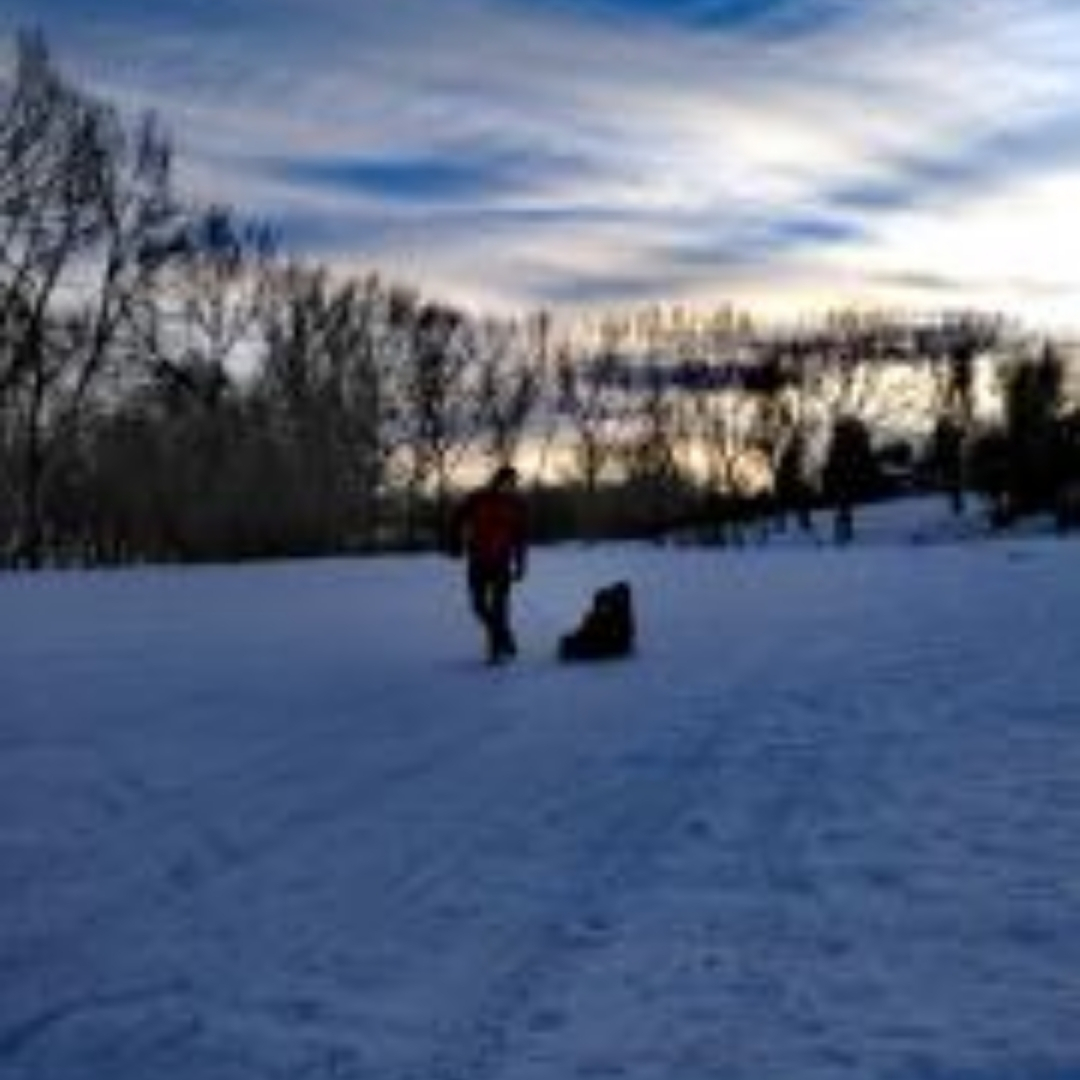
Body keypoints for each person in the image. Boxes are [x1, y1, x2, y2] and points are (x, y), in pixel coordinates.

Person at [449, 465, 528, 663]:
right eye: (507, 482)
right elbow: (457, 518)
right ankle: (504, 635)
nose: (510, 486)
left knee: (499, 607)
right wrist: (456, 543)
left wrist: (520, 564)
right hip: (477, 560)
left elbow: (520, 537)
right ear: (497, 480)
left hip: (502, 562)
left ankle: (494, 651)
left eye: (513, 483)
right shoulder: (478, 497)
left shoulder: (516, 504)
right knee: (478, 606)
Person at [559, 581, 635, 661]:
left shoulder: (619, 617)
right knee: (567, 641)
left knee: (570, 645)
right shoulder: (601, 615)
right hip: (602, 640)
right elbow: (588, 631)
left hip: (613, 645)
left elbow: (613, 635)